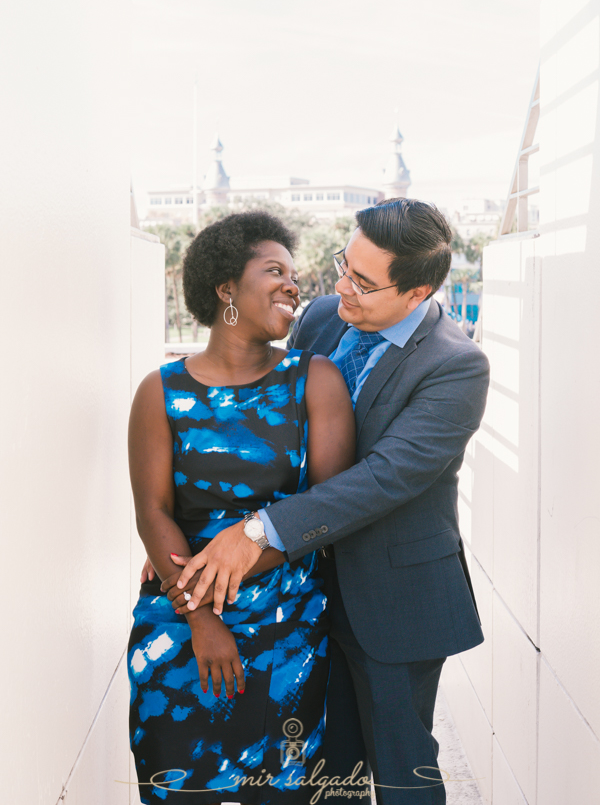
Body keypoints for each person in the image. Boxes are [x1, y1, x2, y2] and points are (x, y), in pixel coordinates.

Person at [167, 198, 491, 805]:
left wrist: (257, 533)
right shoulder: (322, 317)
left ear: (417, 290)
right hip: (304, 596)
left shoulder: (457, 366)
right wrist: (200, 536)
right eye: (344, 265)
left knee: (402, 776)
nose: (341, 286)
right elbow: (265, 429)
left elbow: (385, 477)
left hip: (396, 606)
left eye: (364, 283)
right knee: (325, 774)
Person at [127, 211, 356, 805]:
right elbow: (153, 512)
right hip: (180, 634)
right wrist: (201, 618)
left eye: (294, 272)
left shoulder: (317, 381)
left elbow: (329, 510)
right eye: (273, 269)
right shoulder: (161, 391)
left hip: (291, 636)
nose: (292, 283)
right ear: (226, 288)